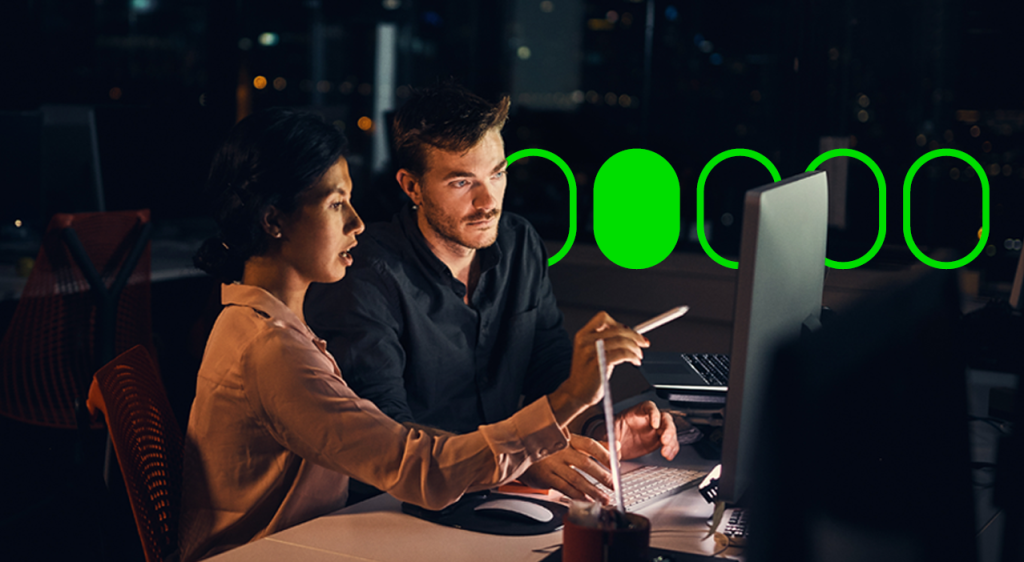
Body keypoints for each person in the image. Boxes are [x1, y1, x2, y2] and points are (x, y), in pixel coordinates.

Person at [178, 108, 653, 561]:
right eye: (336, 204)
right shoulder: (271, 349)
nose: (357, 223)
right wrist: (570, 400)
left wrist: (590, 425)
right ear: (273, 221)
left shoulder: (271, 325)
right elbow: (419, 468)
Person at [304, 84, 679, 503]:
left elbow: (548, 367)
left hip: (502, 493)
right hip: (393, 507)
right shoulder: (364, 274)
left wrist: (598, 430)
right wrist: (521, 456)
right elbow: (388, 436)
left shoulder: (519, 242)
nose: (488, 202)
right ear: (412, 187)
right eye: (462, 182)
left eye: (497, 175)